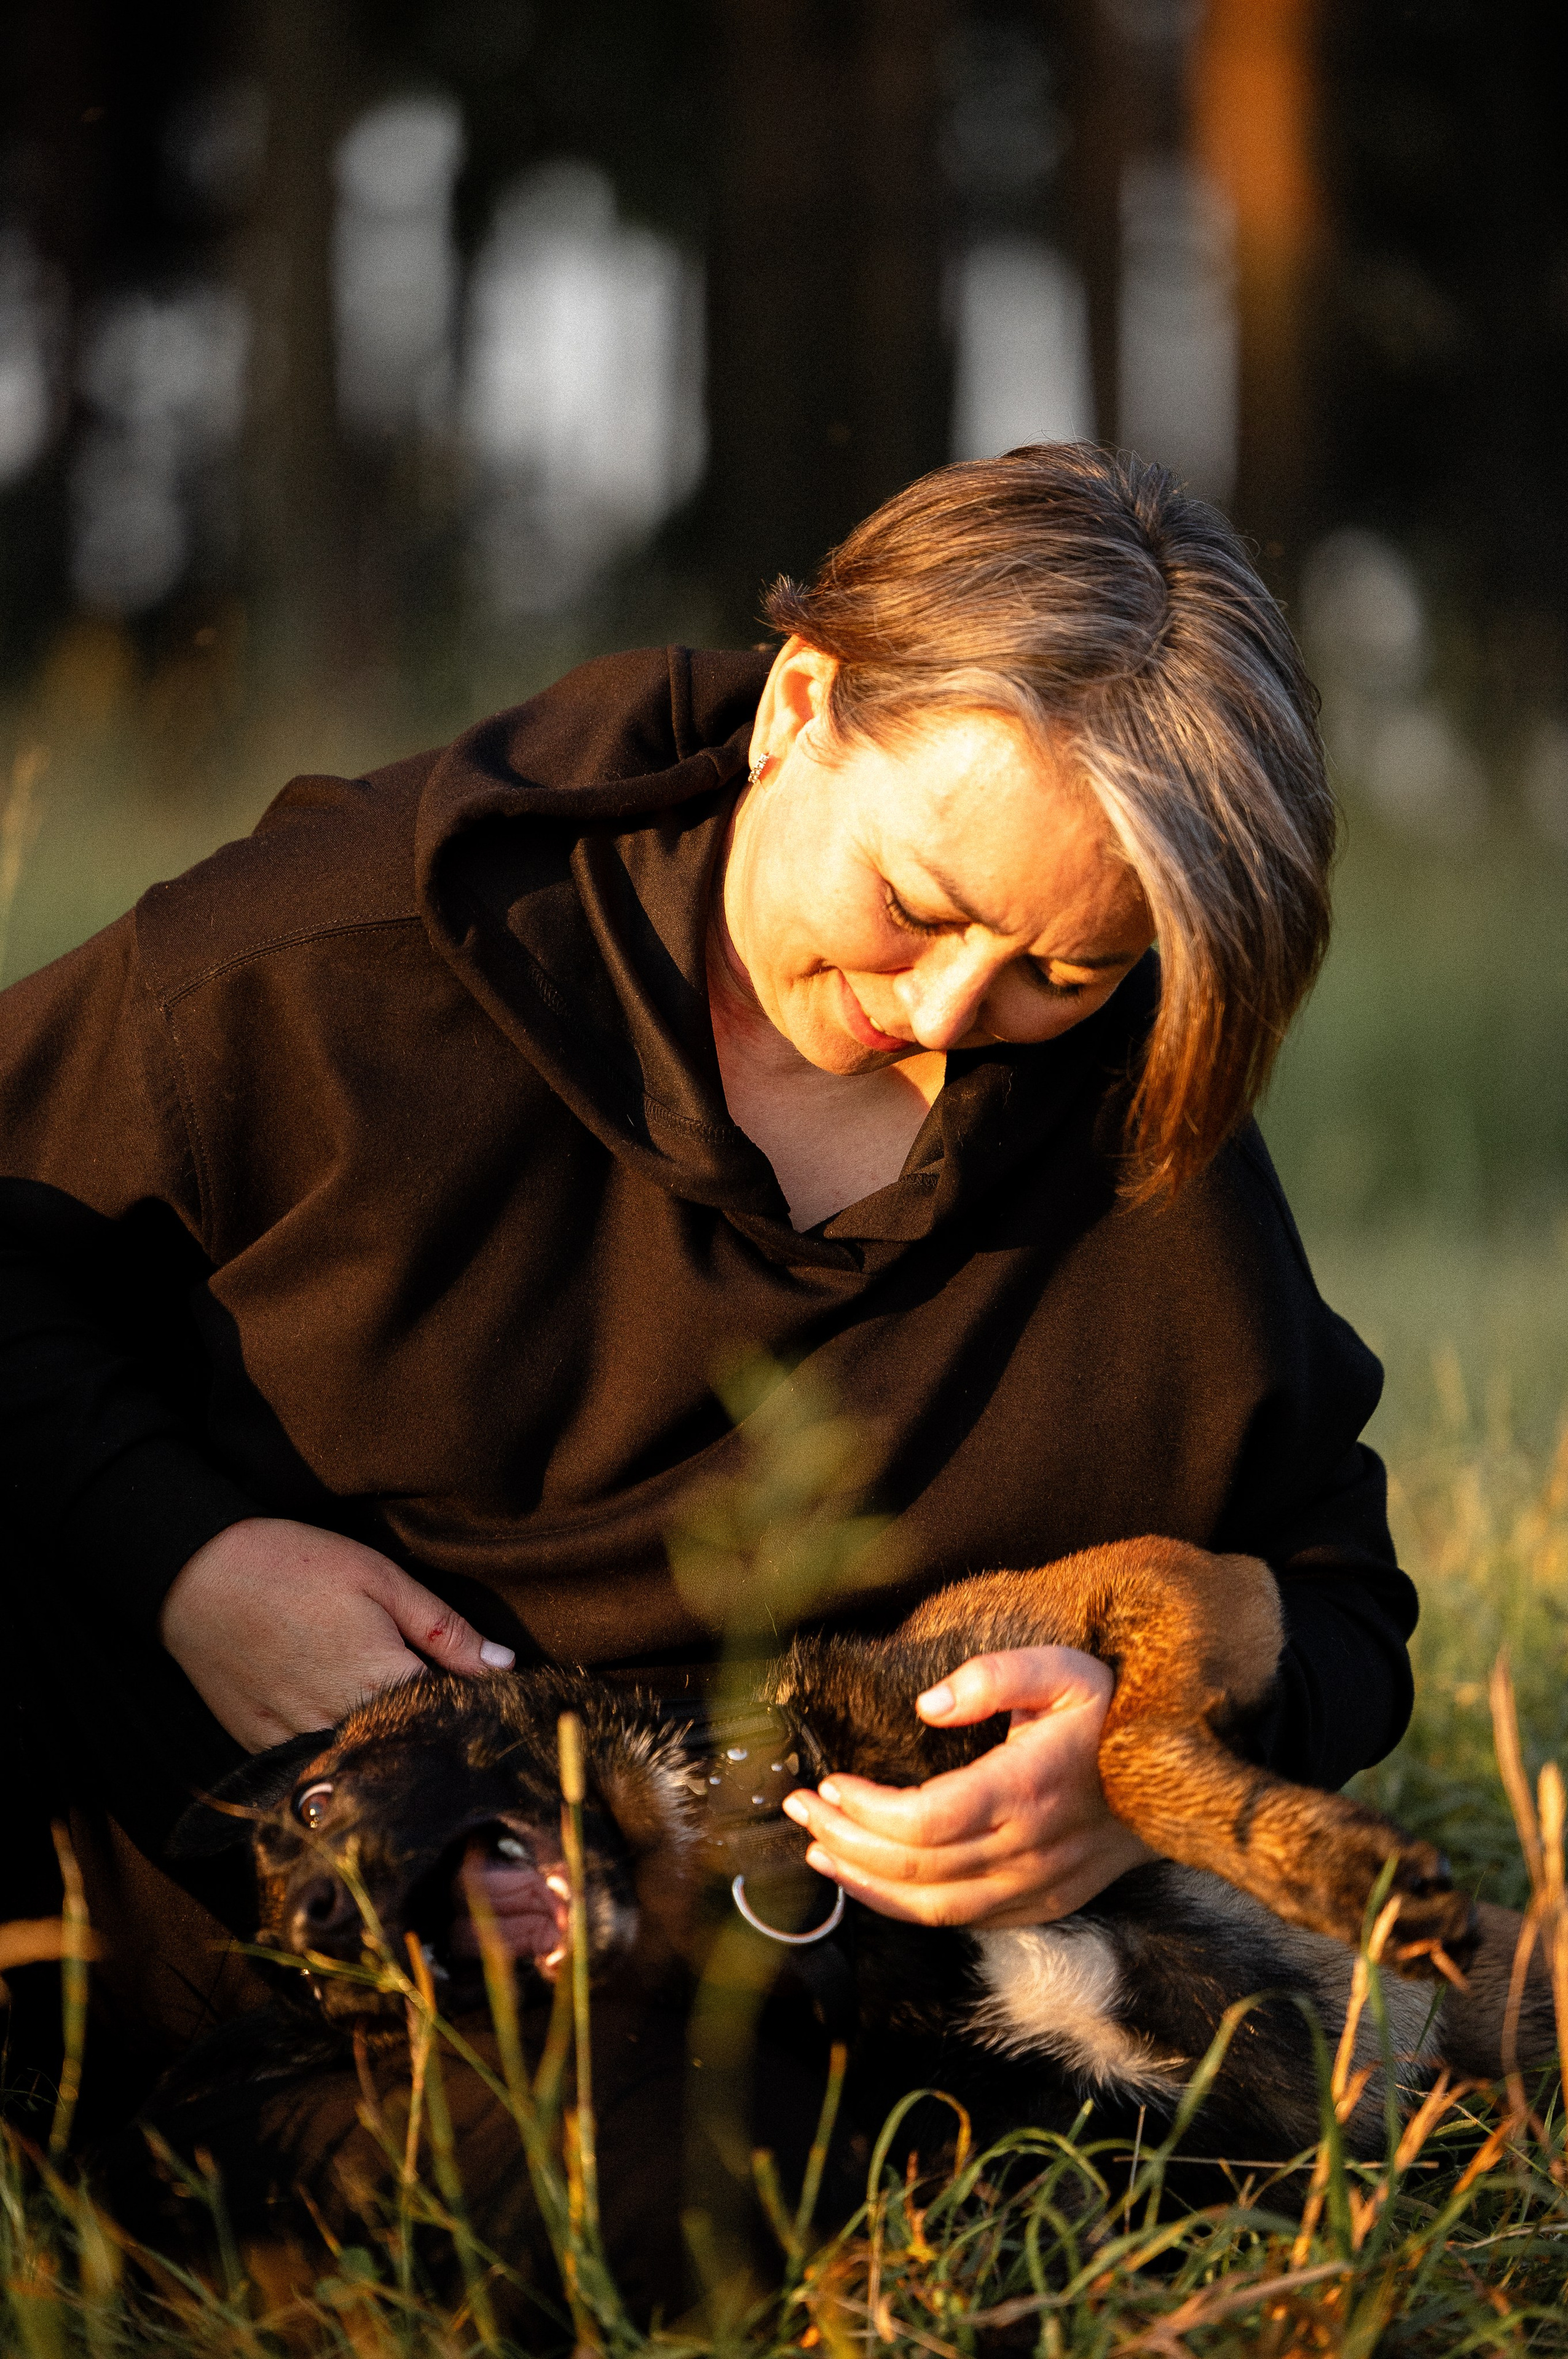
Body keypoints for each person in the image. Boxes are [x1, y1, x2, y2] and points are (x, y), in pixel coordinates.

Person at [0, 444, 1412, 2111]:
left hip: (680, 1997)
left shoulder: (1145, 1152)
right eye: (916, 904)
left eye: (1067, 970)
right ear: (801, 704)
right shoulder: (324, 970)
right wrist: (186, 1555)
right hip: (140, 1836)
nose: (953, 1012)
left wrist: (1118, 1769)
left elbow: (1337, 1602)